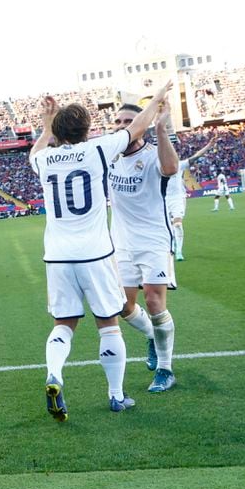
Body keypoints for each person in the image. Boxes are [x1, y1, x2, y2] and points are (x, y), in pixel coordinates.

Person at [29, 82, 172, 418]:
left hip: (57, 257)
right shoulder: (98, 150)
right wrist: (158, 97)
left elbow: (34, 152)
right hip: (95, 254)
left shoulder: (45, 159)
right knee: (108, 325)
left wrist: (45, 124)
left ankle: (54, 374)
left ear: (57, 132)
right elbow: (139, 126)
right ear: (88, 129)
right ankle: (116, 395)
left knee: (62, 325)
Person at [108, 100, 179, 394]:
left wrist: (161, 128)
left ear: (141, 125)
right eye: (119, 122)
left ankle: (165, 368)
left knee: (153, 301)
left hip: (153, 239)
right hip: (121, 243)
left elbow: (172, 167)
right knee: (123, 307)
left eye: (128, 121)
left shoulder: (152, 155)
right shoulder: (109, 154)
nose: (122, 126)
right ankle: (151, 336)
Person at [167, 136, 214, 260]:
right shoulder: (158, 167)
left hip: (177, 199)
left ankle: (179, 252)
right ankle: (171, 247)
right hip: (163, 200)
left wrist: (209, 145)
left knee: (177, 224)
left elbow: (196, 156)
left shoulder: (179, 165)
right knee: (167, 227)